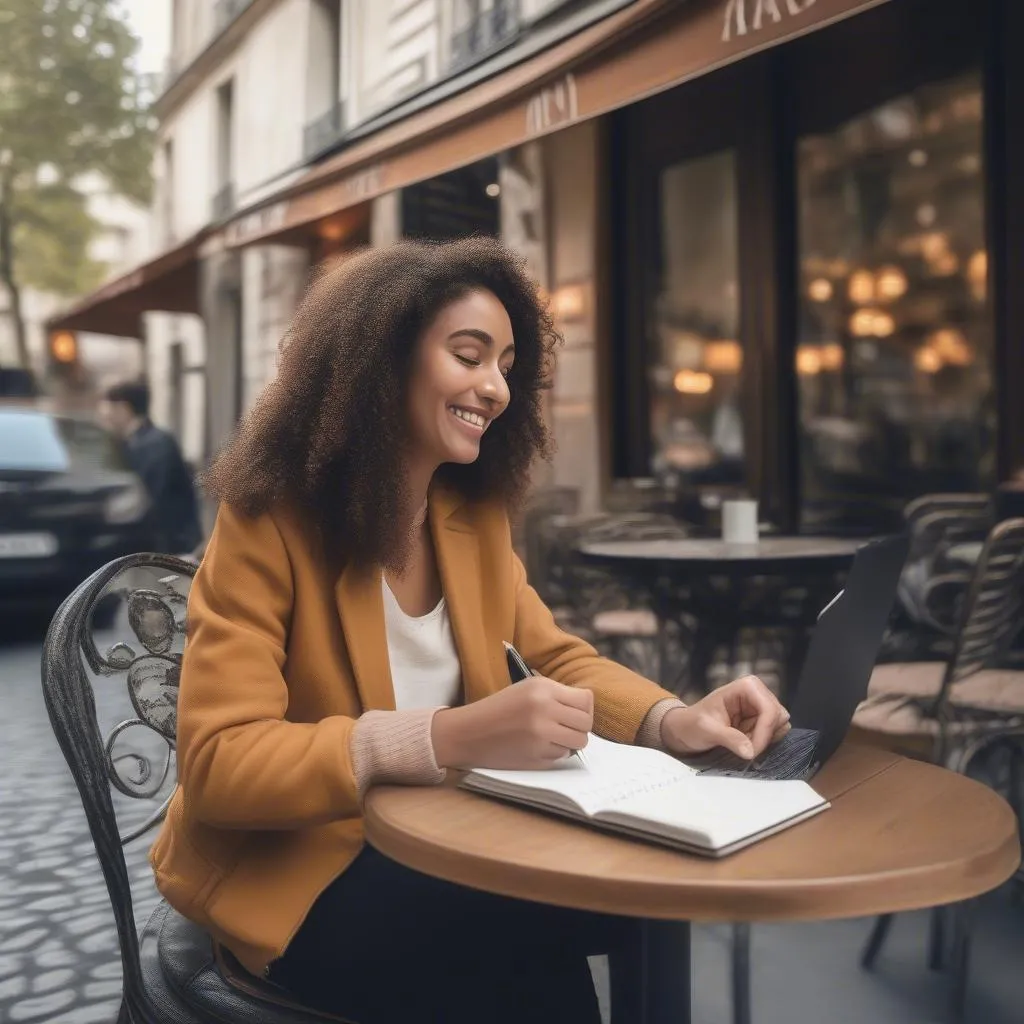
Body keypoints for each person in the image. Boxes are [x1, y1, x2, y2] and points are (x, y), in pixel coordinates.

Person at [149, 238, 791, 1024]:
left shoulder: (470, 517)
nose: (495, 388)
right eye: (469, 355)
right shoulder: (268, 523)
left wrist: (671, 718)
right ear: (380, 361)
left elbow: (555, 656)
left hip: (458, 839)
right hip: (303, 868)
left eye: (507, 367)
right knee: (518, 948)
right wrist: (449, 736)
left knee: (644, 901)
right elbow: (219, 764)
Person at [99, 379, 203, 556]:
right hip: (157, 548)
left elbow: (149, 498)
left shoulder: (155, 444)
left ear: (124, 409)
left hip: (170, 549)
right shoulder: (134, 442)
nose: (104, 415)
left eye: (108, 408)